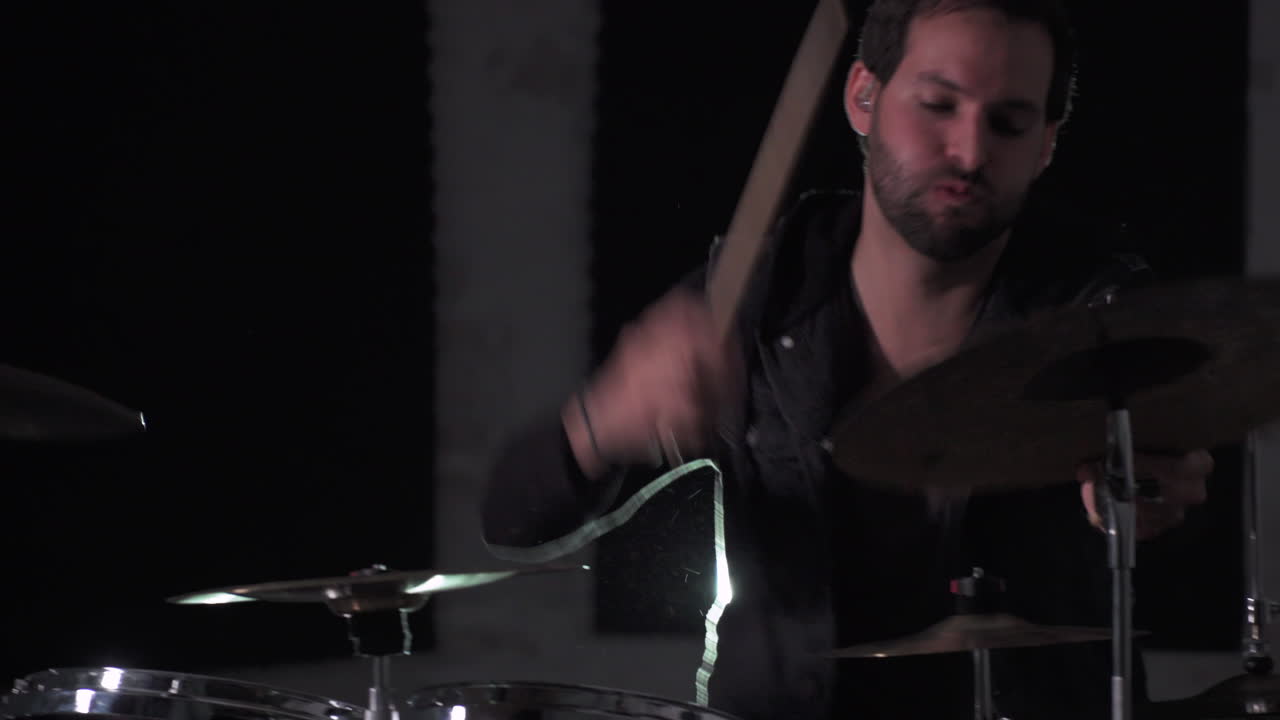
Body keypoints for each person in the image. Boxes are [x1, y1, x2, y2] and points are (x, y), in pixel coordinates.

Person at [482, 1, 1214, 718]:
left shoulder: (1097, 313)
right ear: (864, 97)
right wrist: (605, 419)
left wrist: (1153, 487)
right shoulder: (758, 295)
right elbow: (513, 522)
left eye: (1009, 122)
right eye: (938, 105)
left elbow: (1184, 494)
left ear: (1046, 144)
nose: (969, 152)